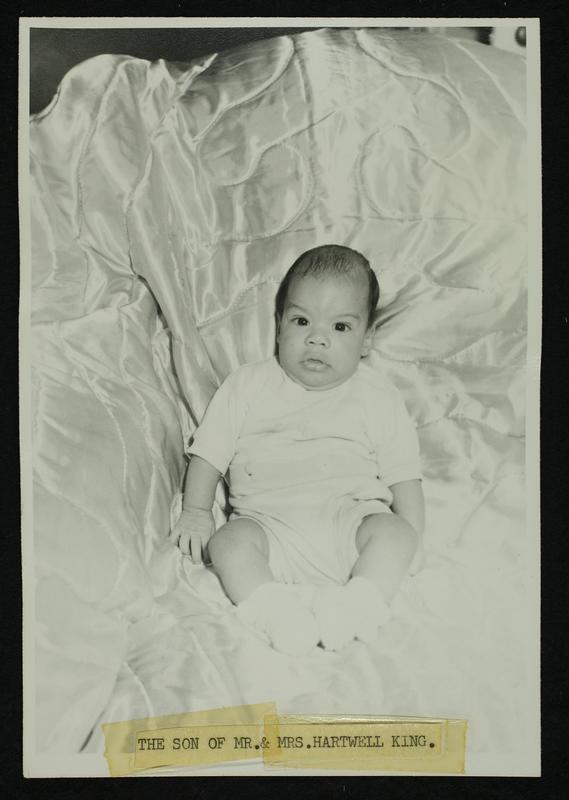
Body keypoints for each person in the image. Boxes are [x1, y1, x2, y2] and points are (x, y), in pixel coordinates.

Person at [171, 245, 424, 655]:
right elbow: (209, 454)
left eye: (340, 327)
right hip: (267, 527)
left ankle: (359, 602)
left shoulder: (377, 395)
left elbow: (404, 476)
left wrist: (412, 540)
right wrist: (197, 511)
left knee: (396, 534)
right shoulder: (247, 385)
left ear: (366, 338)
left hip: (350, 524)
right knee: (228, 543)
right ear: (279, 326)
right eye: (302, 320)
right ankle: (272, 610)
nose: (317, 338)